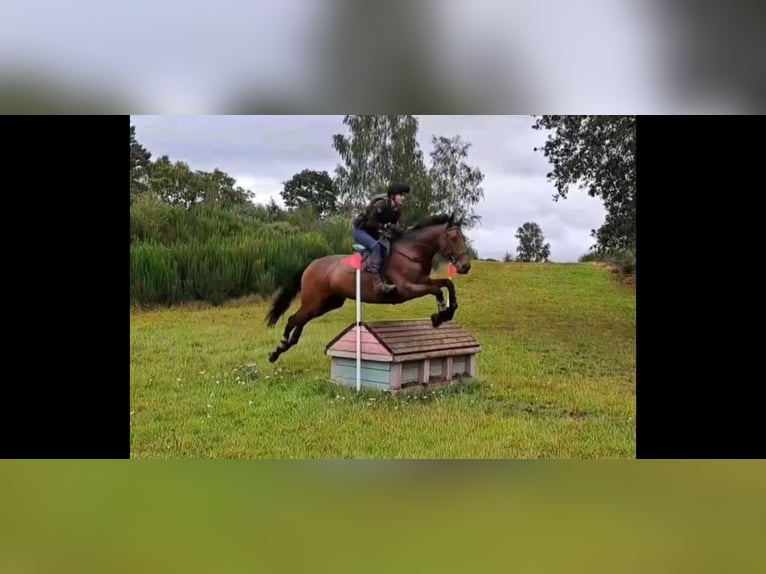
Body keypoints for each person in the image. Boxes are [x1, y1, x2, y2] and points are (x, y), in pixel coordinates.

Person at [352, 182, 409, 293]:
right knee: (377, 247)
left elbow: (392, 227)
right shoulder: (381, 205)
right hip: (361, 230)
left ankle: (385, 278)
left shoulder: (397, 211)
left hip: (373, 232)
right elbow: (370, 223)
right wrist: (385, 226)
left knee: (387, 248)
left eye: (404, 195)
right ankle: (377, 283)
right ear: (392, 195)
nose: (403, 198)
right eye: (400, 195)